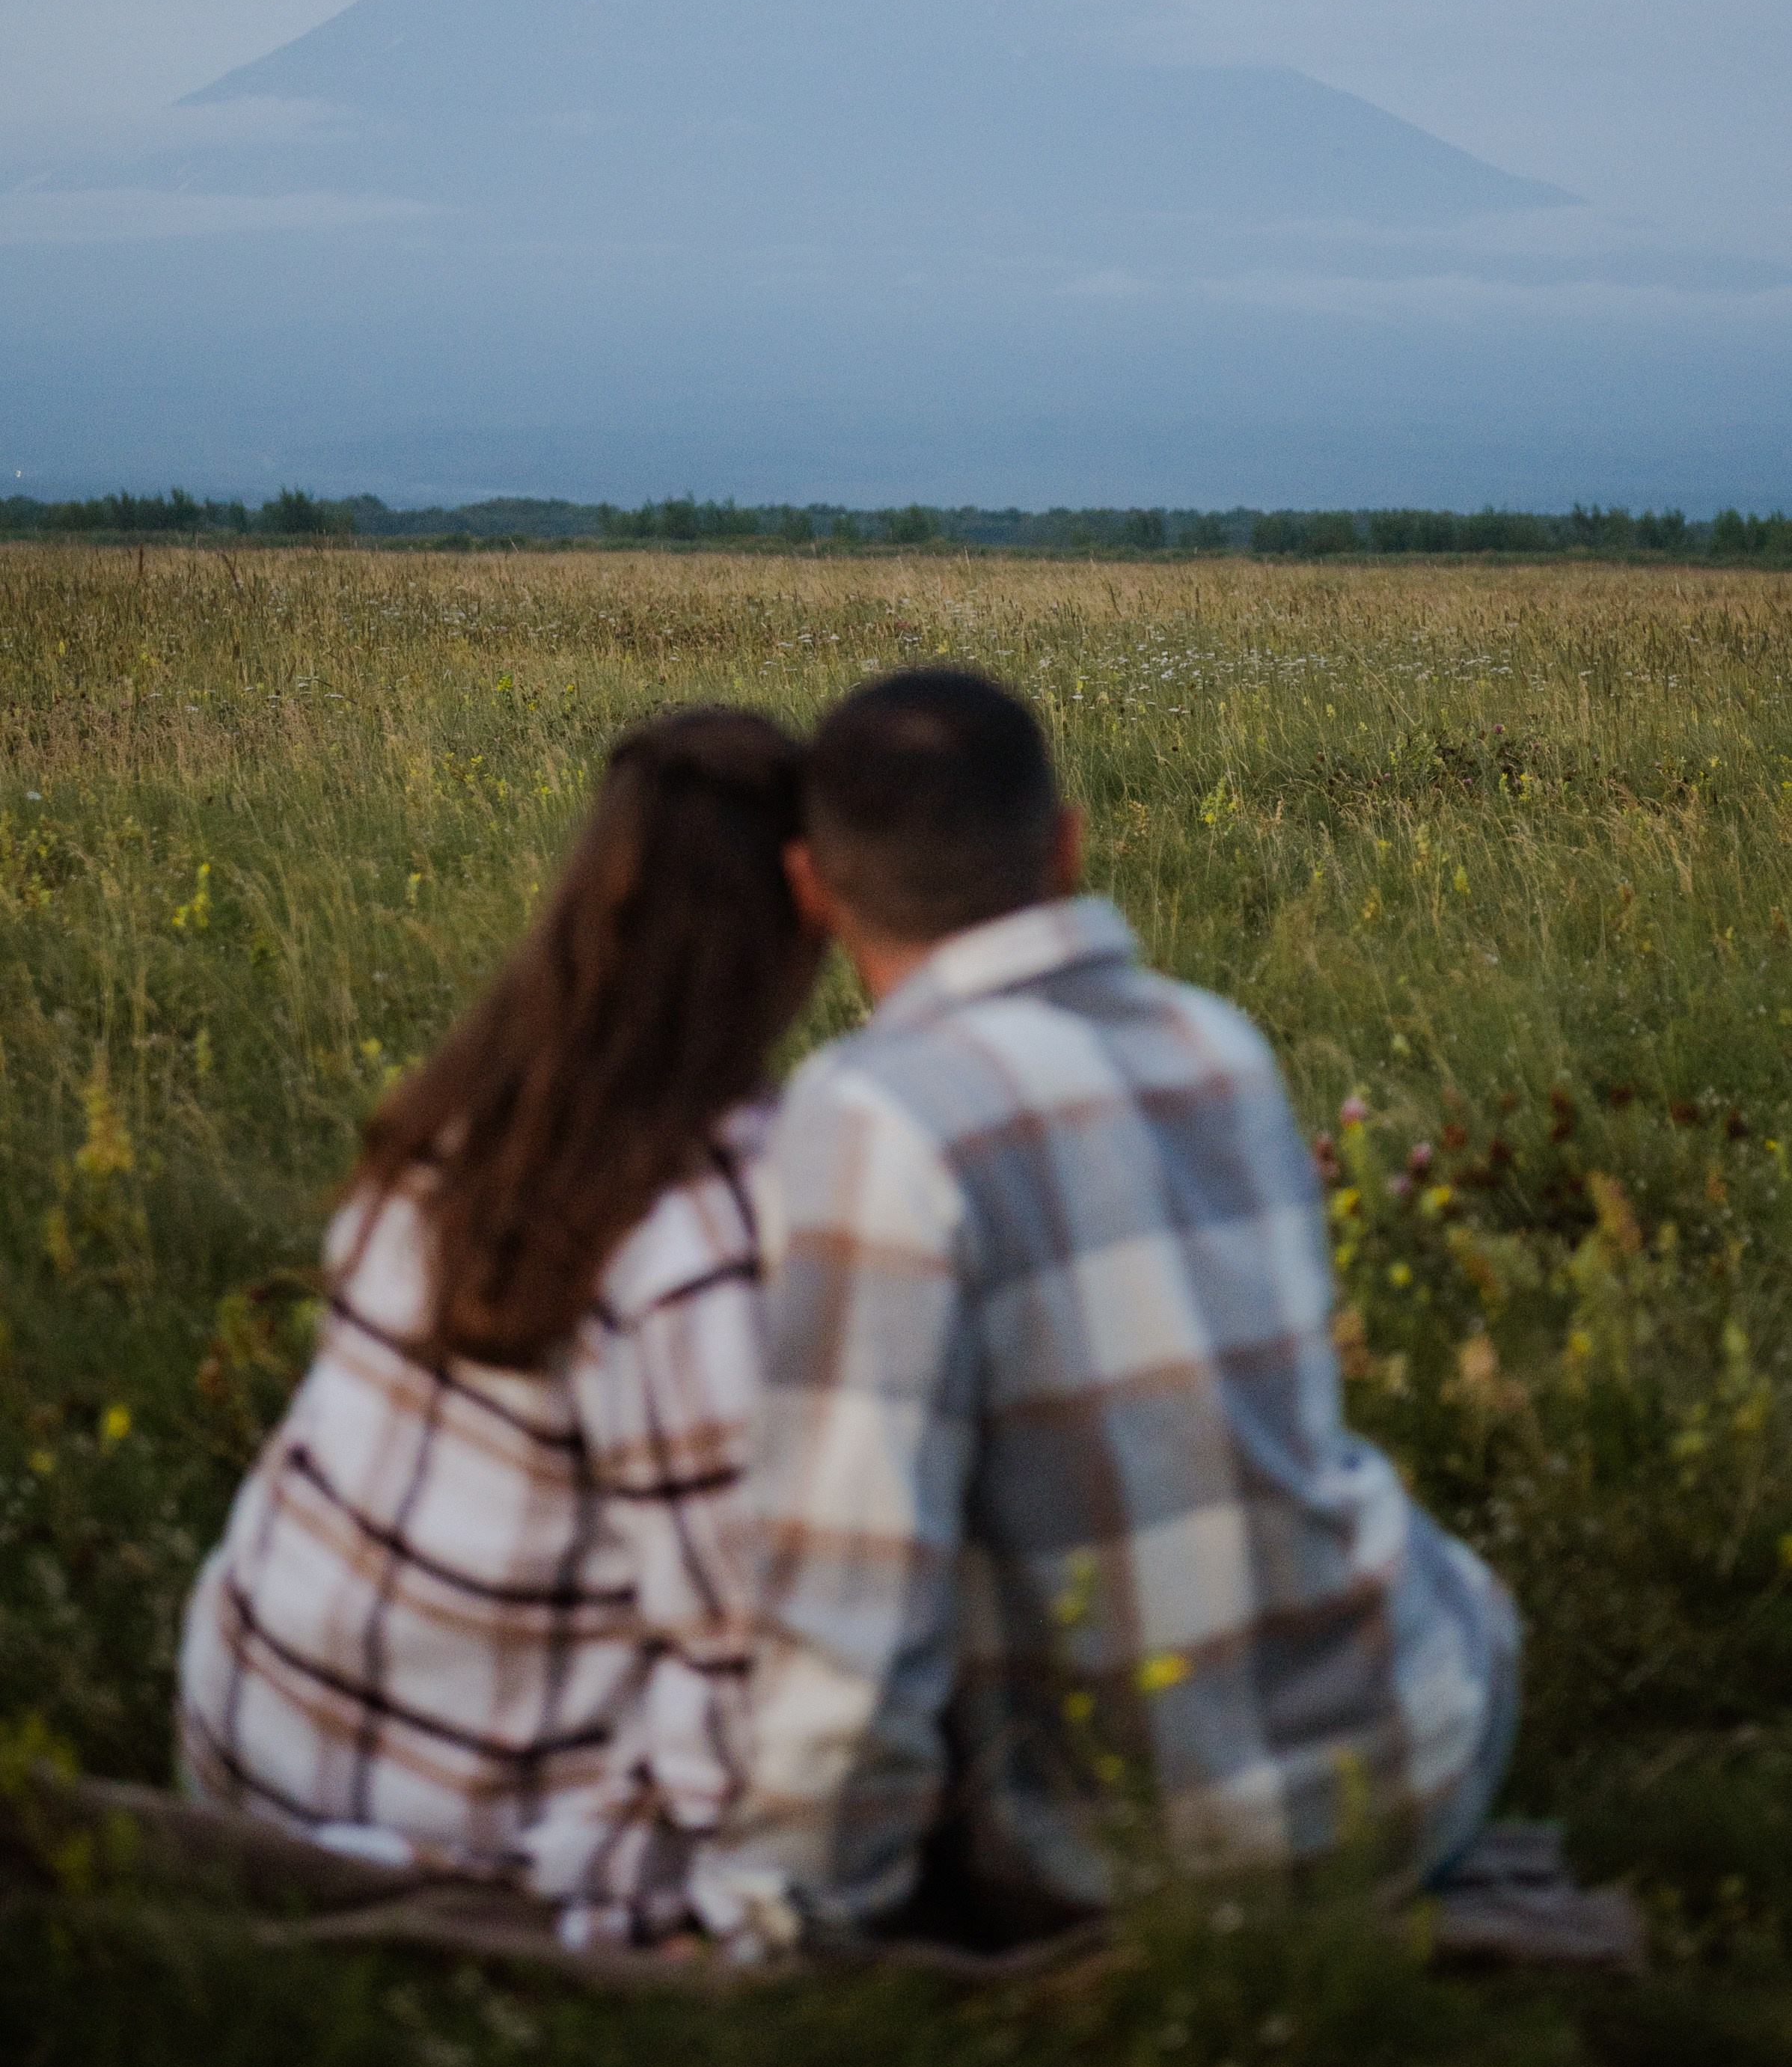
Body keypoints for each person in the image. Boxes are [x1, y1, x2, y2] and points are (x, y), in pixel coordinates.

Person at [695, 670, 1519, 1950]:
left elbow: (855, 1598)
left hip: (1134, 1853)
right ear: (1067, 846)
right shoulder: (1219, 1044)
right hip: (1417, 1760)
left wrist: (786, 1905)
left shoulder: (874, 1117)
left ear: (812, 890)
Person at [179, 707, 816, 1937]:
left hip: (241, 1736)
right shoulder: (705, 1227)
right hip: (442, 1834)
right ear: (803, 908)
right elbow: (740, 1656)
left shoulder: (461, 1114)